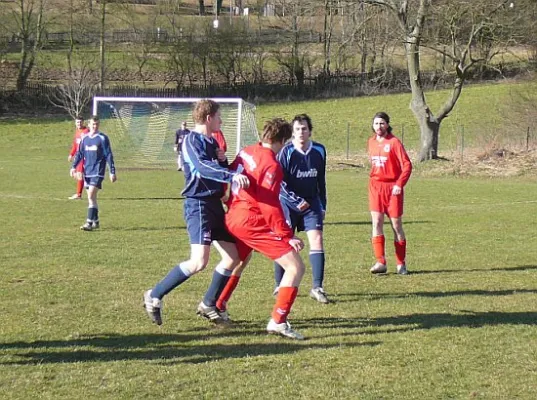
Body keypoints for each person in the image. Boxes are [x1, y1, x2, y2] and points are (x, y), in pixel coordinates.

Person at [143, 99, 249, 326]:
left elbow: (218, 169)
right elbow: (201, 168)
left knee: (234, 257)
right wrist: (228, 174)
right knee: (198, 261)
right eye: (219, 116)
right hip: (198, 205)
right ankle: (154, 295)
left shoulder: (212, 141)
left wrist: (225, 161)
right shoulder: (191, 140)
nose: (222, 120)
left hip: (214, 205)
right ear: (209, 118)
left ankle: (208, 303)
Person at [220, 118, 307, 340]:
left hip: (233, 215)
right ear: (283, 141)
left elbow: (229, 175)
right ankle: (278, 321)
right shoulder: (271, 164)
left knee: (240, 259)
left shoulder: (246, 151)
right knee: (295, 267)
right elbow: (269, 205)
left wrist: (226, 197)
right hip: (251, 221)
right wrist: (286, 235)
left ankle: (218, 304)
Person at [275, 114, 329, 303]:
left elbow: (321, 180)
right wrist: (295, 200)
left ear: (310, 131)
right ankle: (279, 284)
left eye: (304, 128)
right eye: (297, 129)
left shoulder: (320, 150)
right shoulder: (285, 152)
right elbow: (279, 182)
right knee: (285, 244)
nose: (300, 132)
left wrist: (322, 204)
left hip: (311, 203)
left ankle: (317, 287)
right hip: (288, 204)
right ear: (292, 132)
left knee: (317, 240)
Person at [367, 112, 412, 275]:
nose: (379, 126)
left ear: (387, 125)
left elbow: (407, 165)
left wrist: (399, 184)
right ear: (373, 126)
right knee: (376, 222)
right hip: (375, 187)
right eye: (376, 123)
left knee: (396, 225)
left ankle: (401, 263)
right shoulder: (370, 142)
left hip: (392, 188)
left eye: (382, 123)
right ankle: (380, 262)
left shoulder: (394, 142)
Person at [70, 115, 117, 231]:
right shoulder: (85, 139)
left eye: (97, 124)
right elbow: (80, 154)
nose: (95, 126)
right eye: (93, 124)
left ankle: (89, 223)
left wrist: (112, 171)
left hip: (98, 172)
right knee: (92, 199)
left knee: (91, 194)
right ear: (89, 125)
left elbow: (108, 155)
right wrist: (73, 167)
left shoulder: (102, 138)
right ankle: (96, 221)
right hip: (87, 171)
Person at [67, 116, 89, 200]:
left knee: (79, 174)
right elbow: (75, 145)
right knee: (79, 175)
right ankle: (81, 191)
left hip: (84, 156)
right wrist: (71, 154)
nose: (79, 124)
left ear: (83, 122)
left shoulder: (86, 131)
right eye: (77, 122)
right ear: (75, 123)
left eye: (80, 122)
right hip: (78, 156)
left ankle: (78, 194)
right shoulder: (77, 132)